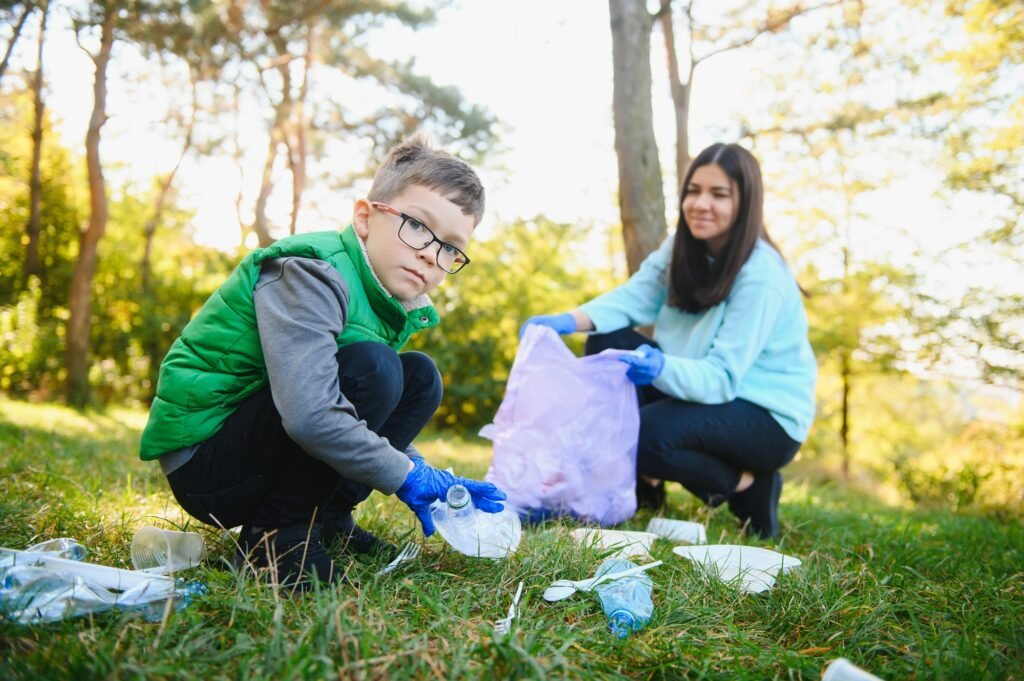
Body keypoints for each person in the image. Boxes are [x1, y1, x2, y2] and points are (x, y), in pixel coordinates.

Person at [139, 135, 506, 586]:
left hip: (262, 438)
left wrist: (425, 472)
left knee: (419, 377)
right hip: (208, 465)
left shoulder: (381, 297)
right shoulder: (311, 271)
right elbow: (313, 413)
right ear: (365, 217)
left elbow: (359, 410)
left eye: (450, 247)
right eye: (417, 226)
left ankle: (327, 519)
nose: (431, 254)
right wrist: (404, 476)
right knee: (378, 368)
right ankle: (274, 537)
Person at [522, 143, 816, 540]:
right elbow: (633, 298)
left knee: (643, 435)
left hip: (765, 414)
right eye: (693, 191)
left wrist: (662, 368)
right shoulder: (682, 246)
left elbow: (722, 377)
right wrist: (566, 321)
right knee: (606, 339)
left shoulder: (761, 276)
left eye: (719, 194)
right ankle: (646, 489)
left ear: (746, 203)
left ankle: (748, 485)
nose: (700, 203)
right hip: (702, 388)